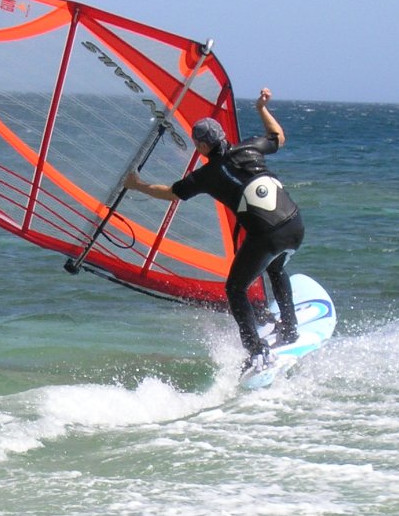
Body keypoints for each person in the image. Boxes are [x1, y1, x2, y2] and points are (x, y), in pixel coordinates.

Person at [123, 88, 304, 372]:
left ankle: (256, 350)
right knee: (276, 267)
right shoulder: (249, 147)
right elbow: (278, 137)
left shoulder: (206, 176)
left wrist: (137, 185)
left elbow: (171, 193)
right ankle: (290, 329)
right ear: (222, 136)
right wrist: (261, 108)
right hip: (295, 224)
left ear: (202, 146)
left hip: (266, 236)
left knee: (235, 288)